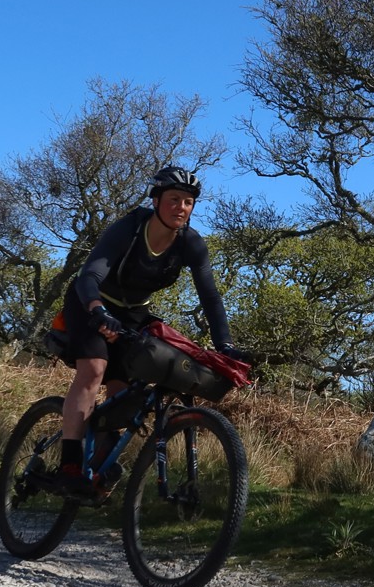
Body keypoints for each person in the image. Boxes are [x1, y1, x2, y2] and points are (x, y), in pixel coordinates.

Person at [56, 165, 241, 494]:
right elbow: (89, 276)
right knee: (94, 369)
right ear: (156, 201)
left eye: (187, 202)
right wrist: (98, 311)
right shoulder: (129, 228)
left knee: (125, 393)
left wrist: (225, 345)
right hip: (91, 302)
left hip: (133, 313)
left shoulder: (191, 244)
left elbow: (210, 298)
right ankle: (69, 464)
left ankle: (97, 469)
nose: (180, 208)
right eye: (173, 200)